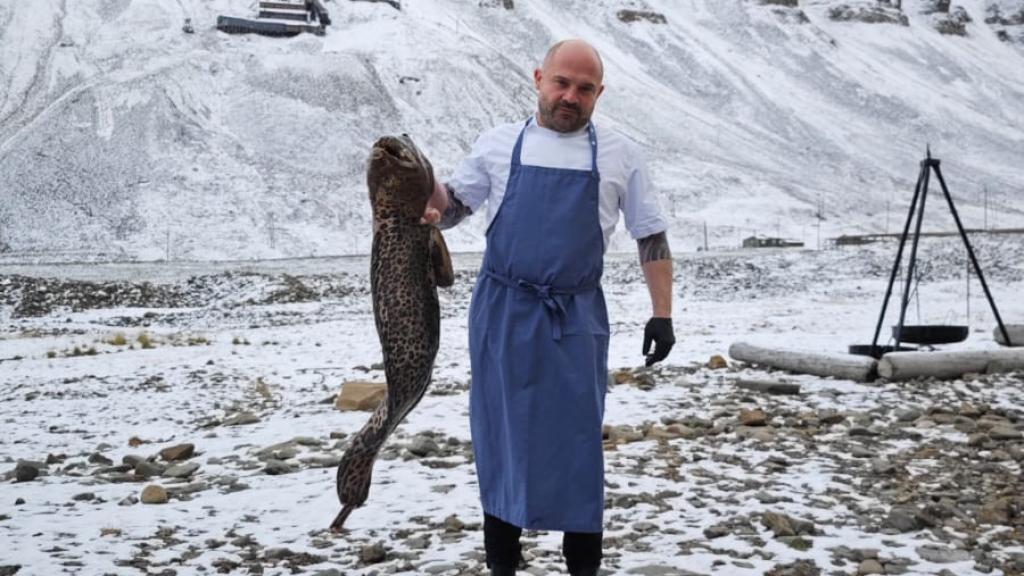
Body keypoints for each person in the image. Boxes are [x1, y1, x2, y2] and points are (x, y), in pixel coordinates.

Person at [422, 39, 675, 576]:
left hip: (576, 316)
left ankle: (582, 566)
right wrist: (420, 197)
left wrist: (663, 314)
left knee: (578, 445)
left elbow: (650, 234)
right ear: (539, 78)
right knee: (502, 437)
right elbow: (453, 209)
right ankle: (502, 565)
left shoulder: (620, 153)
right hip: (503, 312)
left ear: (598, 94)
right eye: (561, 83)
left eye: (584, 89)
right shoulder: (497, 145)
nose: (570, 96)